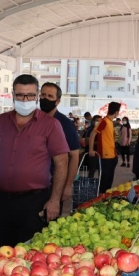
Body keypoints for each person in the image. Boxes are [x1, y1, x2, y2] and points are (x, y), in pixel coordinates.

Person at [0, 74, 70, 247]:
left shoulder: (50, 125)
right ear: (13, 95)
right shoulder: (0, 122)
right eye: (20, 95)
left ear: (37, 96)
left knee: (31, 252)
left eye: (30, 95)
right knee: (2, 252)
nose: (25, 99)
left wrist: (54, 200)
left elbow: (62, 162)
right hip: (4, 201)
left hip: (35, 202)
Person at [39, 82, 80, 211]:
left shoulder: (65, 124)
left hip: (54, 184)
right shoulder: (33, 120)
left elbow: (74, 156)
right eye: (43, 95)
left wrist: (67, 185)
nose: (45, 99)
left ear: (57, 101)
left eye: (50, 96)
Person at [89, 102, 121, 193]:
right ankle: (100, 199)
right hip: (105, 156)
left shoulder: (110, 122)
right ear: (116, 112)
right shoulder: (104, 121)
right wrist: (91, 149)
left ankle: (105, 199)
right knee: (104, 181)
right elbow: (92, 134)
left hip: (112, 155)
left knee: (109, 181)